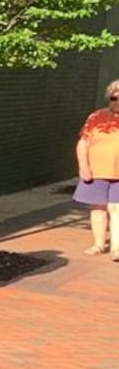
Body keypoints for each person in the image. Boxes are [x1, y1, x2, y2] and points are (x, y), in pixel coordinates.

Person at [74, 77, 119, 259]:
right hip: (96, 171)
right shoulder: (96, 117)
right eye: (114, 98)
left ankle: (116, 248)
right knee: (98, 209)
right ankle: (98, 244)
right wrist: (84, 167)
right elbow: (83, 143)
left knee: (116, 208)